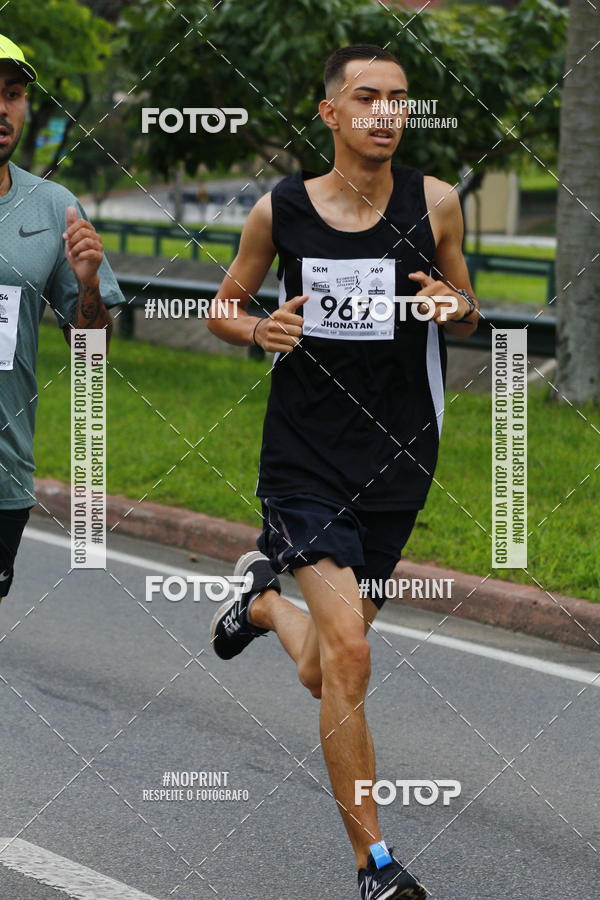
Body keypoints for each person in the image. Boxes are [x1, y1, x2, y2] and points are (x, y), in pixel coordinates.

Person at [208, 44, 478, 899]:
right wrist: (256, 331)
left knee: (325, 666)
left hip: (398, 460)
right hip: (304, 458)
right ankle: (376, 865)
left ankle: (260, 603)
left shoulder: (436, 204)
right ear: (331, 113)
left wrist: (454, 308)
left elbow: (468, 311)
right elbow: (225, 304)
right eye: (367, 97)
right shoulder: (280, 210)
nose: (387, 113)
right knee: (354, 653)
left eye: (400, 99)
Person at [0, 35, 124, 600]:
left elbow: (91, 348)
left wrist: (90, 285)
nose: (2, 109)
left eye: (14, 94)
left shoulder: (53, 207)